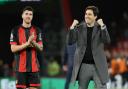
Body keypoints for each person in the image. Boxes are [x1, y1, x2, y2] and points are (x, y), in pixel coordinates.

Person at [68, 6, 111, 89]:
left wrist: (102, 25)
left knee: (101, 88)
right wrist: (72, 27)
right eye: (86, 14)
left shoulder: (100, 28)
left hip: (98, 66)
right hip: (84, 66)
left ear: (95, 16)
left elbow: (107, 41)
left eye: (89, 14)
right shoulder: (79, 27)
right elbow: (70, 41)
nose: (87, 16)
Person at [10, 6, 43, 89]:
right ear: (22, 15)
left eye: (30, 14)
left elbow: (41, 48)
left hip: (34, 69)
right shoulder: (15, 30)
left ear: (32, 16)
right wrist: (27, 44)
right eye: (26, 14)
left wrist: (33, 43)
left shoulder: (37, 30)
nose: (28, 16)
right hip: (20, 69)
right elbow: (13, 49)